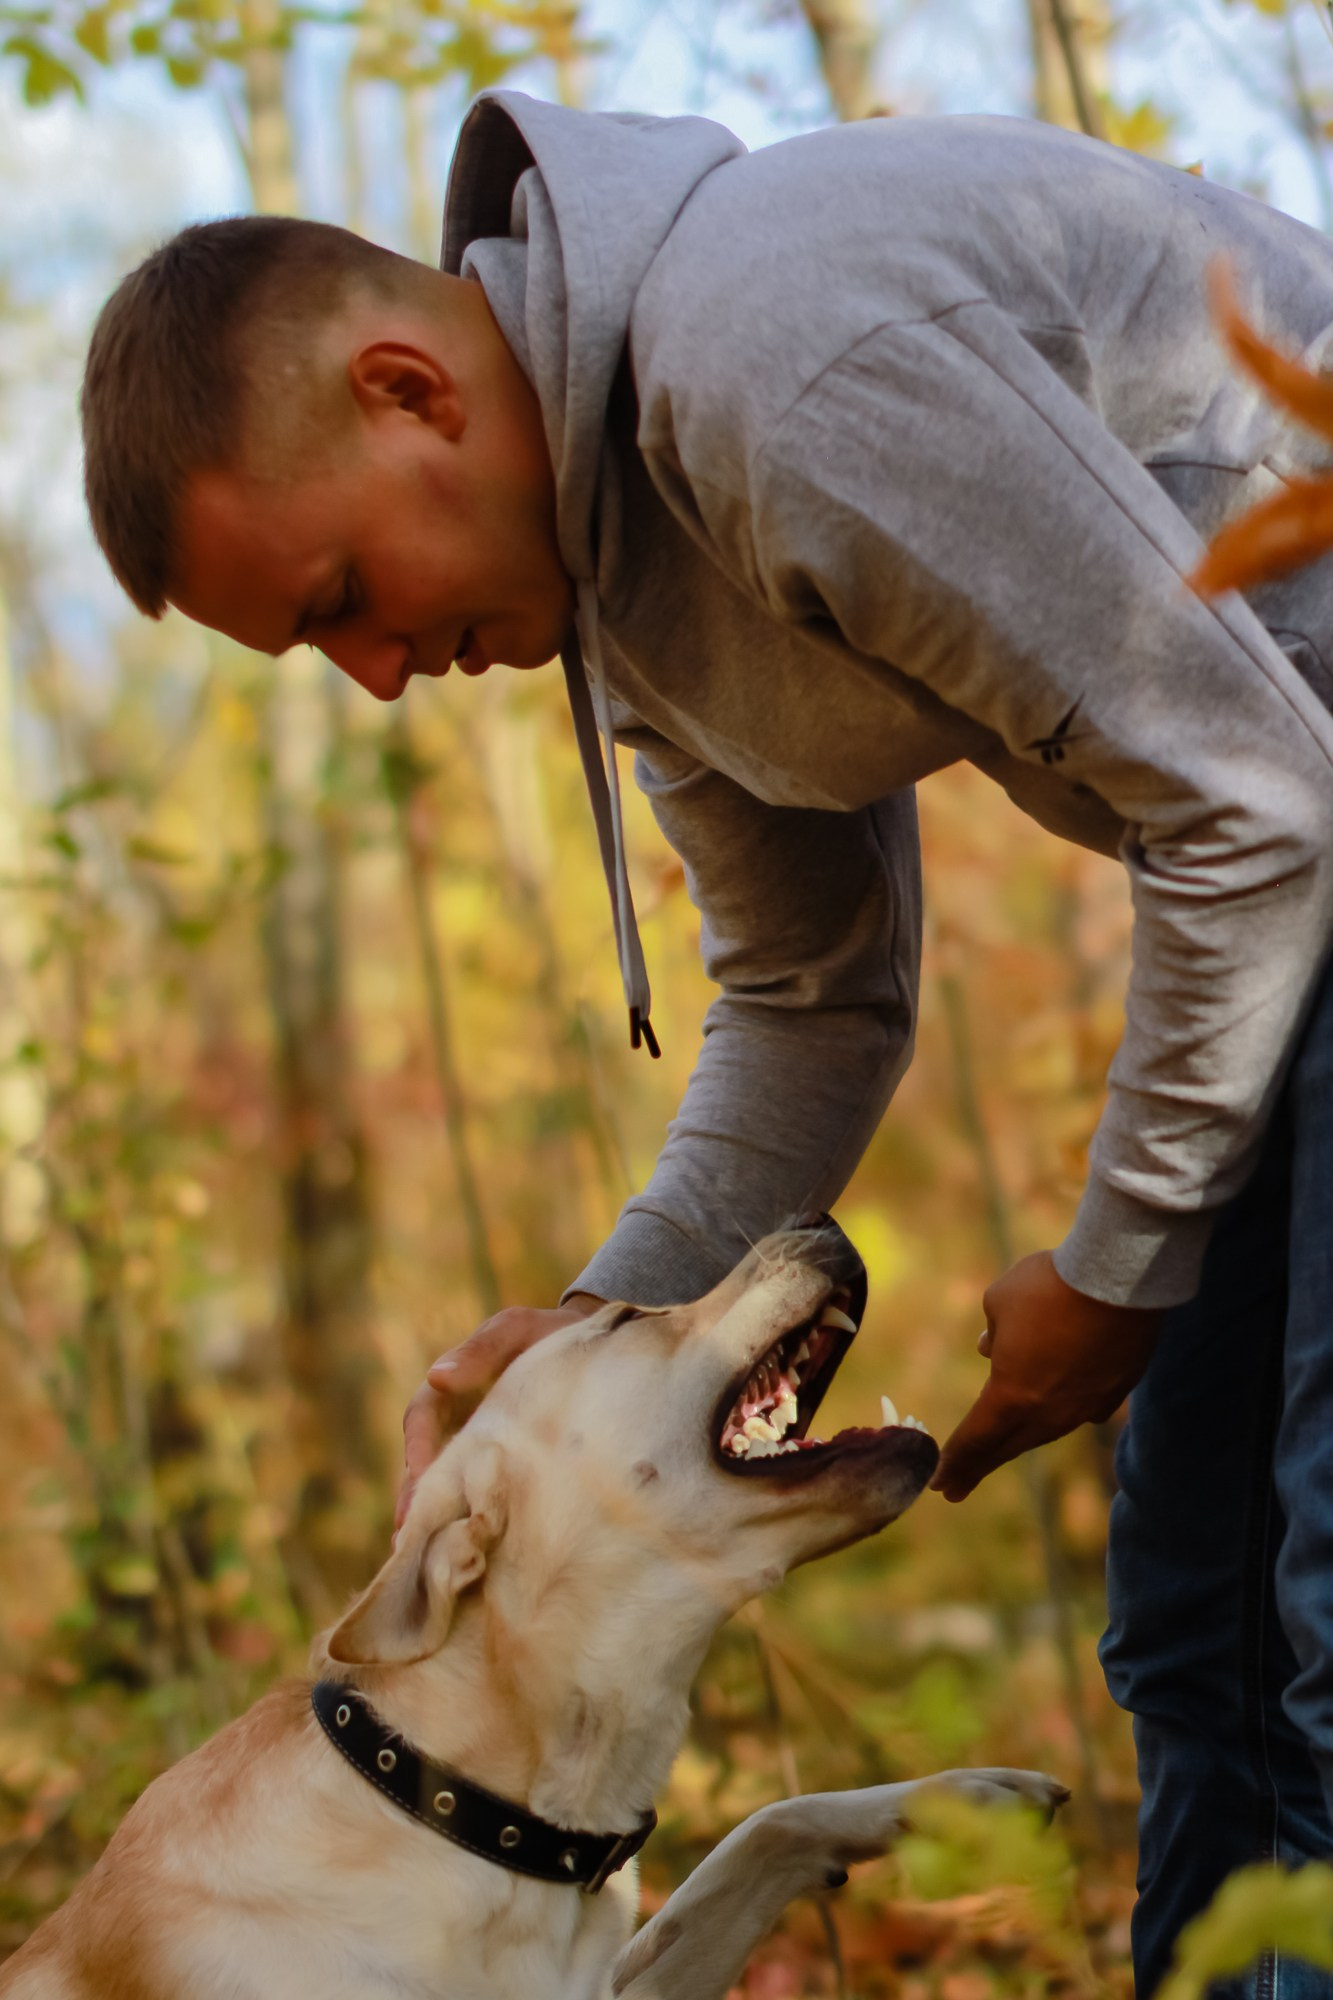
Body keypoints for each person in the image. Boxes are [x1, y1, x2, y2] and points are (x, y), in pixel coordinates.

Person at [79, 93, 1333, 1993]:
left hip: (1298, 840)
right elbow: (817, 994)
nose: (383, 676)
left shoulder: (772, 364)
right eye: (317, 657)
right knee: (1197, 1640)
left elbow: (1253, 794)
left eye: (344, 602)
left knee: (1316, 1607)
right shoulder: (622, 593)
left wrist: (1116, 1267)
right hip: (1294, 898)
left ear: (413, 390)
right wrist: (583, 1341)